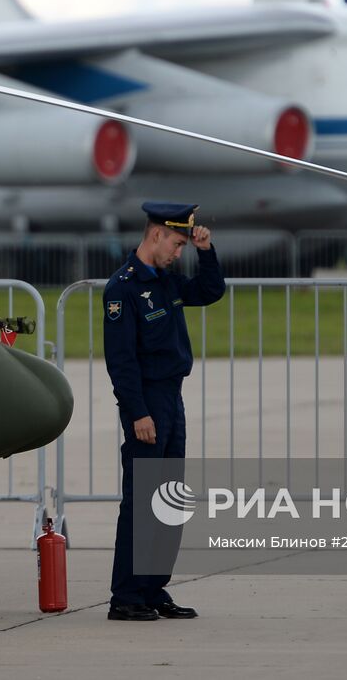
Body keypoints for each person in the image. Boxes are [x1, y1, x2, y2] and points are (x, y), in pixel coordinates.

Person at [103, 202, 225, 621]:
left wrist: (205, 252)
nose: (179, 252)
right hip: (146, 402)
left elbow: (210, 292)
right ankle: (126, 595)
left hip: (172, 398)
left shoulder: (167, 282)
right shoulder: (122, 288)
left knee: (169, 499)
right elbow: (121, 361)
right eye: (176, 243)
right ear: (156, 235)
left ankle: (154, 588)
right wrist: (137, 413)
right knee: (141, 500)